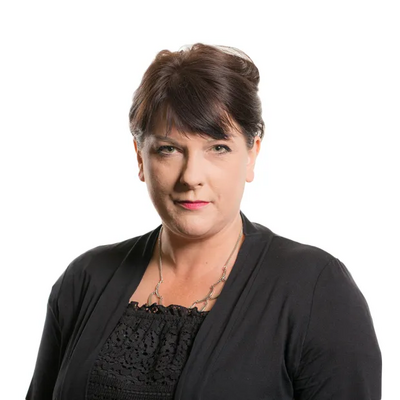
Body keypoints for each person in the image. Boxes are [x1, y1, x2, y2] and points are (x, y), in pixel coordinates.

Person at [26, 43, 382, 400]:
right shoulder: (85, 280)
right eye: (168, 149)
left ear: (252, 154)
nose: (191, 177)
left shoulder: (315, 290)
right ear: (140, 158)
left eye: (218, 148)